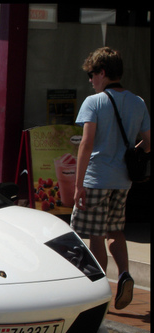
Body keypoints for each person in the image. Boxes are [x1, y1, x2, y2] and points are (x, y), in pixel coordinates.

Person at [70, 47, 150, 310]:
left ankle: (99, 292)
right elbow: (148, 142)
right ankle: (125, 274)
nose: (90, 80)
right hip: (122, 181)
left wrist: (78, 184)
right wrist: (131, 154)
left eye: (92, 75)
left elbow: (86, 143)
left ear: (102, 73)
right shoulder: (138, 102)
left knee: (95, 236)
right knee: (115, 229)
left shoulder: (94, 102)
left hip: (96, 178)